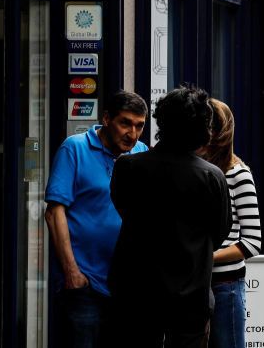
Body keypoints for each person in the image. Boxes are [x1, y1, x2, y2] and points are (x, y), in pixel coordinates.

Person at [109, 84, 233, 348]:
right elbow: (220, 231)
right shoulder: (212, 176)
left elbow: (122, 208)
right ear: (201, 129)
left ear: (162, 122)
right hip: (191, 294)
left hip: (137, 293)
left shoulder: (128, 167)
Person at [44, 91, 149, 347]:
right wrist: (72, 272)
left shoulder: (141, 152)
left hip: (127, 284)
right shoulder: (75, 148)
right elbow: (54, 212)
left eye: (139, 126)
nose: (132, 134)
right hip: (85, 283)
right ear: (106, 119)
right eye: (125, 123)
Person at [201, 99, 263, 348]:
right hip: (192, 284)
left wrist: (205, 258)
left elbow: (252, 242)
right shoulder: (194, 170)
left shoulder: (238, 174)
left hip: (225, 286)